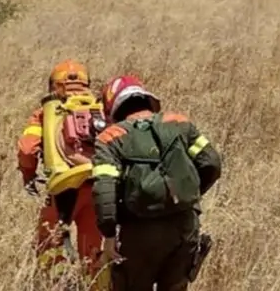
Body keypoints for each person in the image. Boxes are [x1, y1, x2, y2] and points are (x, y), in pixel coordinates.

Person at [90, 75, 223, 291]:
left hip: (138, 234)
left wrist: (109, 235)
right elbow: (212, 163)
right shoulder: (180, 123)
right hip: (185, 226)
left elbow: (104, 192)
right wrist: (187, 196)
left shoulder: (110, 138)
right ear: (146, 99)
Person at [16, 60, 105, 285]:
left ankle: (60, 285)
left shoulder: (46, 113)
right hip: (97, 188)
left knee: (49, 244)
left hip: (61, 187)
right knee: (93, 253)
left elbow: (27, 148)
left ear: (53, 85)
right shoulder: (100, 109)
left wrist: (28, 176)